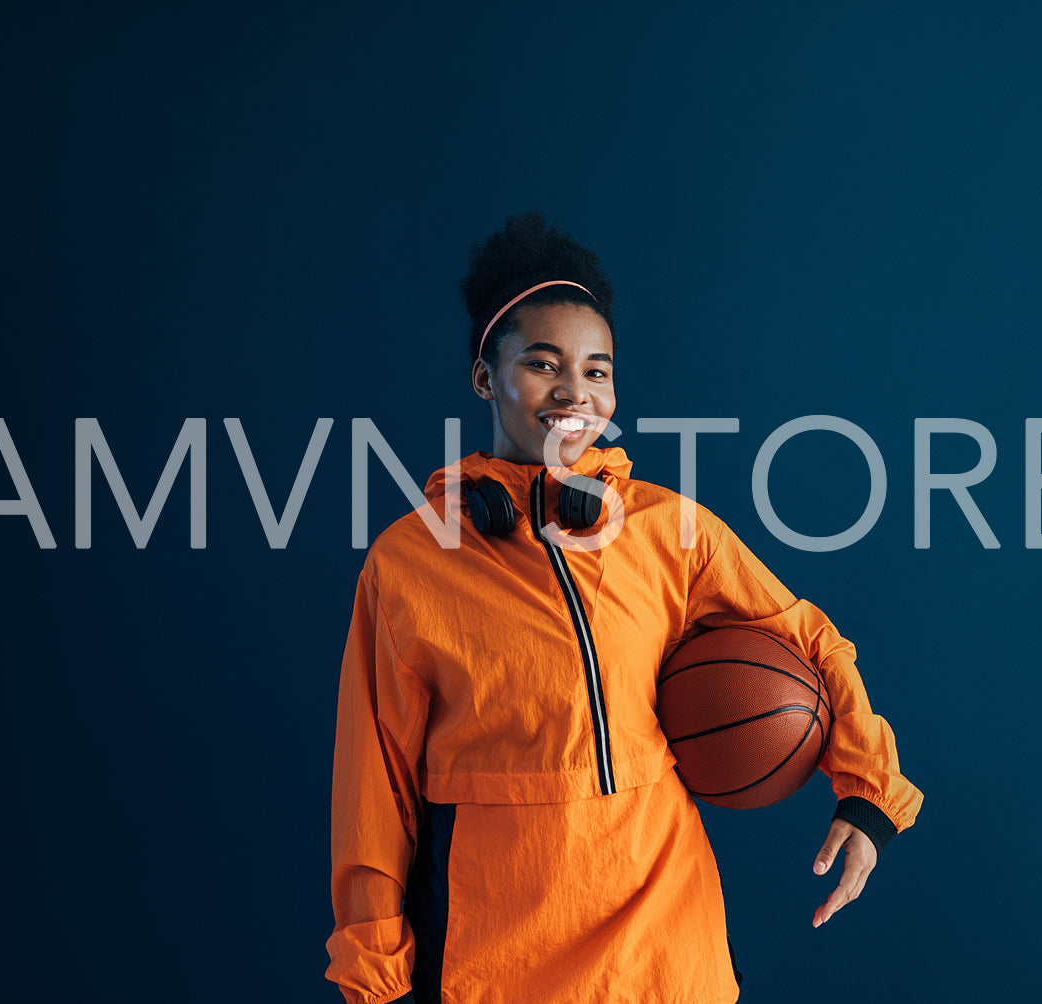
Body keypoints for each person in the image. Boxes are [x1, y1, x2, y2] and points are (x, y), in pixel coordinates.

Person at [326, 210, 924, 1004]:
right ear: (483, 375)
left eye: (597, 369)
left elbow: (805, 636)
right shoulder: (411, 560)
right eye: (542, 363)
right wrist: (375, 968)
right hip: (496, 952)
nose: (574, 390)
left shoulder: (664, 527)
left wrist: (866, 791)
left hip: (663, 942)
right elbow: (374, 785)